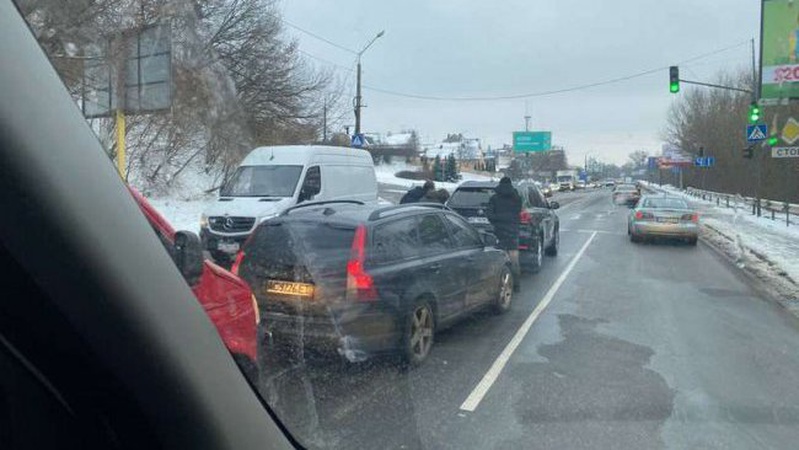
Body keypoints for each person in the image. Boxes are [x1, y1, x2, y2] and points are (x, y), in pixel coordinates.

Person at [486, 176, 522, 291]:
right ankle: (516, 285)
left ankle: (500, 284)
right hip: (513, 232)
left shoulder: (494, 198)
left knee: (499, 260)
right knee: (514, 260)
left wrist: (498, 219)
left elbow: (489, 215)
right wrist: (511, 220)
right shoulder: (516, 198)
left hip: (499, 233)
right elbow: (518, 212)